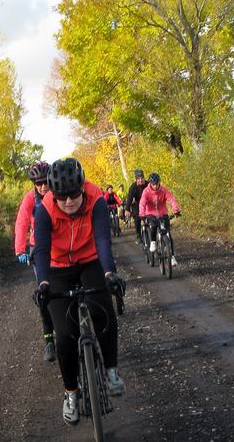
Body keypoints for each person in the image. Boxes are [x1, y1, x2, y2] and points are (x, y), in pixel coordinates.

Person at [33, 158, 127, 426]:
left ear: (82, 188)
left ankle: (111, 371)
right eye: (62, 196)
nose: (69, 201)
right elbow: (40, 250)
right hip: (57, 267)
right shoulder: (45, 209)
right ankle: (71, 394)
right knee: (65, 335)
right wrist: (43, 285)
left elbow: (102, 239)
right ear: (54, 194)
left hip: (90, 261)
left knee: (104, 313)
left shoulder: (96, 197)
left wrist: (109, 273)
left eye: (74, 194)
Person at [14, 161, 56, 363]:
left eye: (45, 181)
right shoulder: (30, 198)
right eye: (38, 183)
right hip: (37, 247)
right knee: (44, 293)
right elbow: (21, 222)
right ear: (34, 184)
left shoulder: (58, 192)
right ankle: (49, 340)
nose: (43, 186)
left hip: (59, 244)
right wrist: (20, 249)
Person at [138, 172, 181, 267]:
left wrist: (176, 209)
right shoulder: (146, 191)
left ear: (159, 182)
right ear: (150, 183)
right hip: (150, 214)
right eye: (153, 184)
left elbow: (171, 199)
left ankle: (172, 257)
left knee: (168, 234)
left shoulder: (164, 190)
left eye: (157, 183)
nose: (155, 186)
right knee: (153, 226)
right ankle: (153, 242)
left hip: (163, 214)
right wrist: (142, 214)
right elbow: (142, 203)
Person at [124, 169, 148, 244]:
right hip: (137, 204)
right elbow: (129, 198)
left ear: (144, 178)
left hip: (147, 204)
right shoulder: (133, 187)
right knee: (137, 219)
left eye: (142, 178)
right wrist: (127, 209)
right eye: (138, 179)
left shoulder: (148, 184)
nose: (140, 180)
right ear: (136, 179)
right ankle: (138, 235)